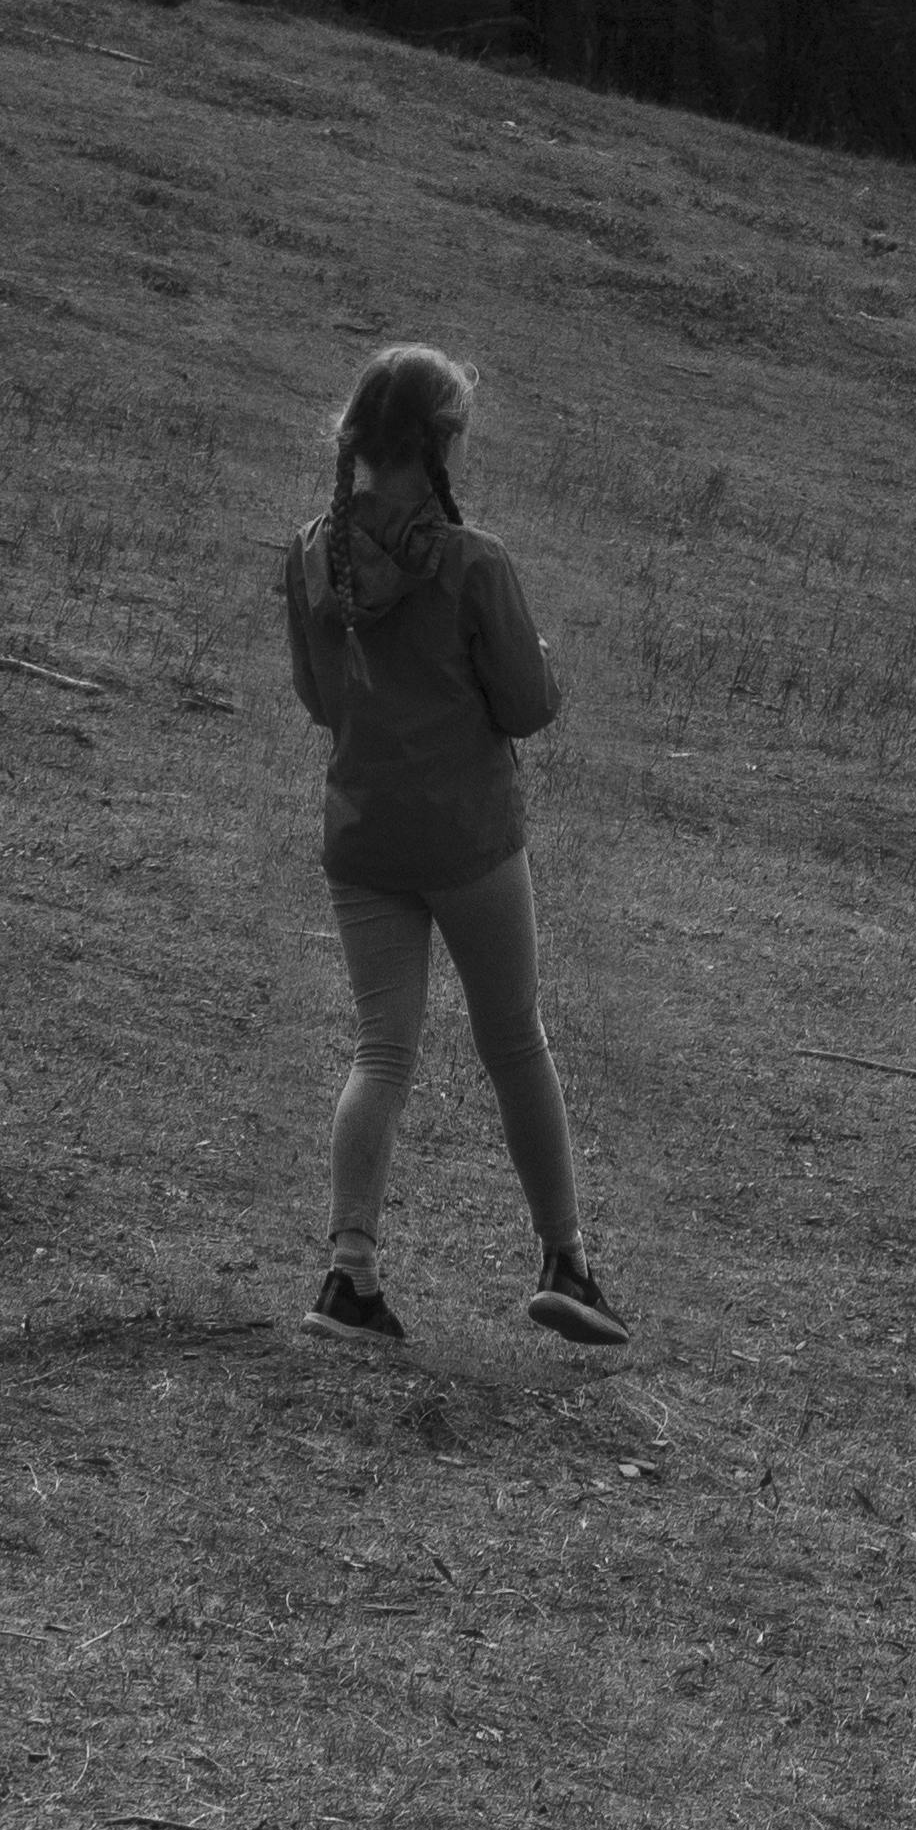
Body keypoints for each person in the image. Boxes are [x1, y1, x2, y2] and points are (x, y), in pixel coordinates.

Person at [281, 342, 629, 1353]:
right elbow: (525, 707)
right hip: (469, 837)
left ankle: (348, 1278)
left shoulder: (314, 551)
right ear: (438, 445)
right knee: (513, 1038)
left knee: (380, 1052)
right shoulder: (477, 563)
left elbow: (317, 701)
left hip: (362, 835)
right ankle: (564, 1260)